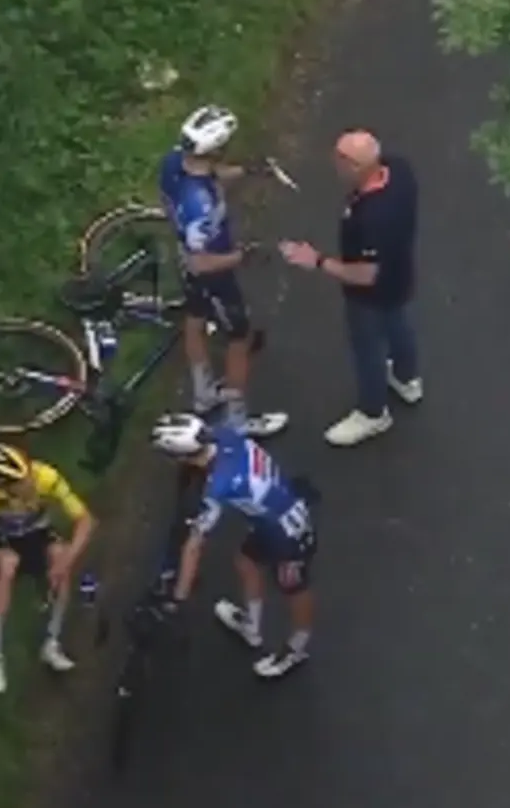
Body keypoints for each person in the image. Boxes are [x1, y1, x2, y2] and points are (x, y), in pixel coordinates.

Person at [279, 129, 422, 447]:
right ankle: (406, 378)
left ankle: (373, 413)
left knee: (368, 349)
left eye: (340, 160)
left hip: (370, 294)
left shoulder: (374, 218)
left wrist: (316, 260)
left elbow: (365, 275)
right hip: (401, 276)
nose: (334, 164)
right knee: (399, 325)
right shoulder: (398, 169)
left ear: (357, 167)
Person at [150, 412, 317, 679]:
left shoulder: (218, 488)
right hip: (271, 518)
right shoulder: (225, 434)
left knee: (295, 588)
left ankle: (297, 647)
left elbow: (195, 545)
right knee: (245, 560)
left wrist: (179, 598)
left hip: (289, 531)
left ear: (182, 457)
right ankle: (252, 628)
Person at [158, 105, 288, 440]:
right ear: (214, 149)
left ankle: (203, 394)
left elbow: (210, 175)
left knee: (195, 318)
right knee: (239, 336)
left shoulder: (175, 163)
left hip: (183, 256)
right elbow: (202, 262)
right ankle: (236, 420)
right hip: (212, 273)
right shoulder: (198, 204)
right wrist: (243, 256)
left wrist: (247, 171)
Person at [0, 443, 95, 694]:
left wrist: (67, 560)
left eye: (29, 473)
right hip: (0, 539)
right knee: (6, 565)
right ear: (3, 486)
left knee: (59, 554)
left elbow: (85, 520)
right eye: (22, 481)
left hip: (36, 532)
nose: (30, 481)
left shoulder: (46, 477)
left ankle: (52, 641)